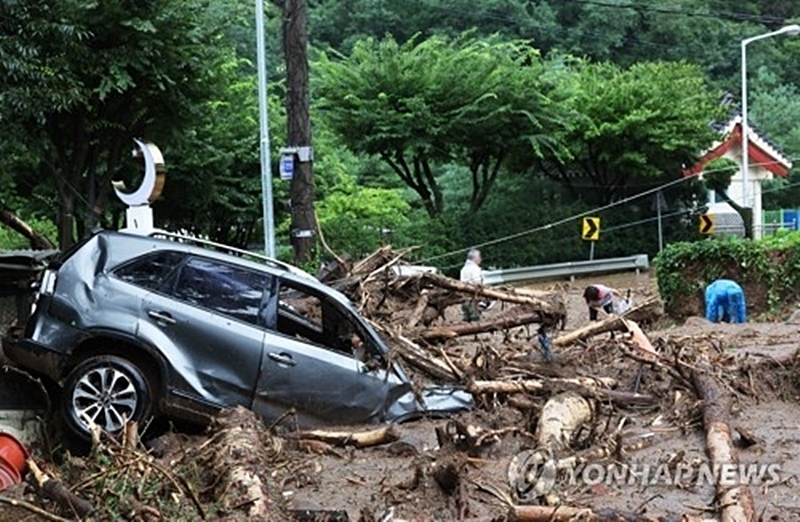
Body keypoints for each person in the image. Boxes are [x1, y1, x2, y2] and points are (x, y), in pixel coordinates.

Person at [460, 248, 490, 322]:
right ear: (475, 258)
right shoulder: (475, 268)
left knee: (466, 321)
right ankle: (481, 305)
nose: (480, 259)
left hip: (464, 299)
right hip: (473, 299)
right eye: (479, 257)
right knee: (475, 322)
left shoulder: (464, 269)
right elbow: (477, 283)